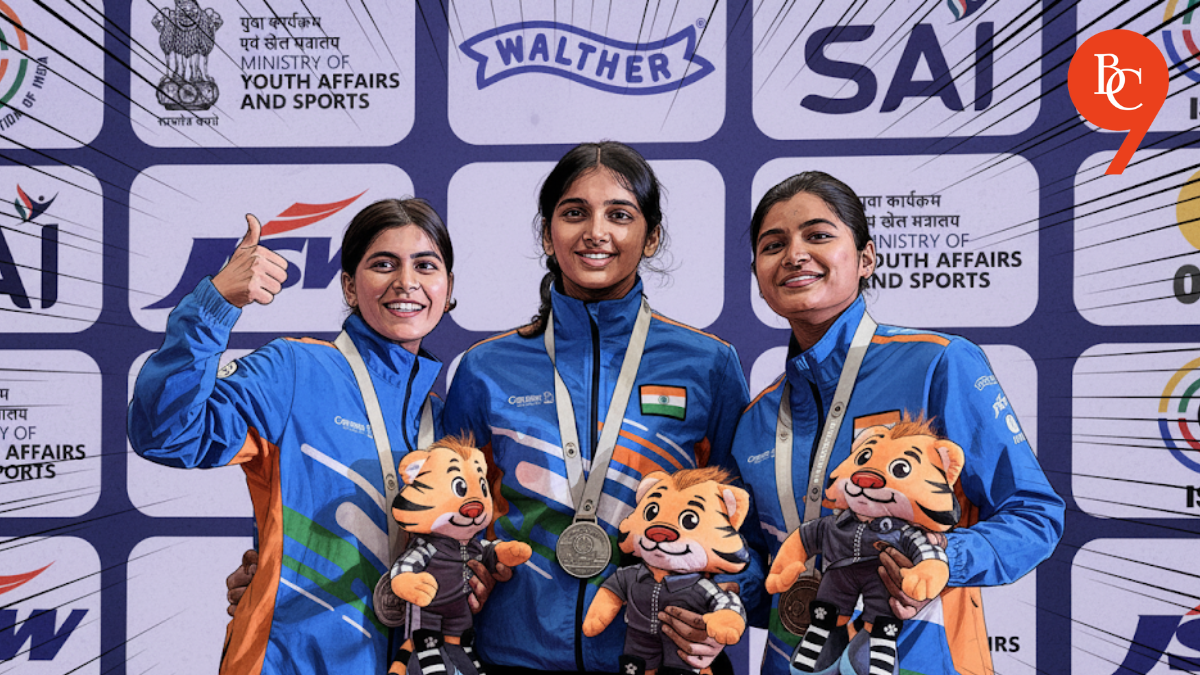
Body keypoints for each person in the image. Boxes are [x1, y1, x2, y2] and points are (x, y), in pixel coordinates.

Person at [441, 141, 764, 674]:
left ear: (652, 236)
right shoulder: (485, 368)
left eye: (619, 214)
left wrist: (721, 605)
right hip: (514, 657)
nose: (596, 232)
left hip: (664, 658)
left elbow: (743, 531)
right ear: (548, 234)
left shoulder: (708, 365)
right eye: (574, 213)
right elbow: (451, 523)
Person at [732, 171, 1064, 675]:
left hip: (921, 661)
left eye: (818, 235)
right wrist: (708, 596)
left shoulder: (938, 364)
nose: (794, 254)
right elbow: (756, 567)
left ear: (866, 258)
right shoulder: (757, 418)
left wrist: (941, 558)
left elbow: (1035, 514)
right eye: (773, 244)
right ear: (757, 273)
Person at [128, 198, 457, 675]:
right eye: (383, 264)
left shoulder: (445, 424)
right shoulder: (295, 371)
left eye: (425, 265)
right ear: (349, 285)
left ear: (447, 289)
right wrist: (214, 304)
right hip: (288, 662)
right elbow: (165, 433)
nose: (406, 282)